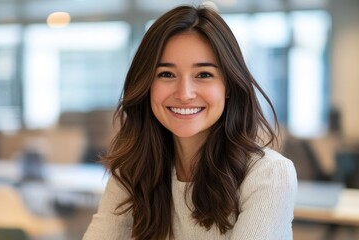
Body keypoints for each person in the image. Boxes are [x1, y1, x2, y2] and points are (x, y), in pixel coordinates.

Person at [83, 5, 297, 240]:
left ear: (228, 86)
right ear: (146, 85)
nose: (184, 93)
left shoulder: (268, 174)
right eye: (166, 74)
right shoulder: (134, 171)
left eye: (204, 74)